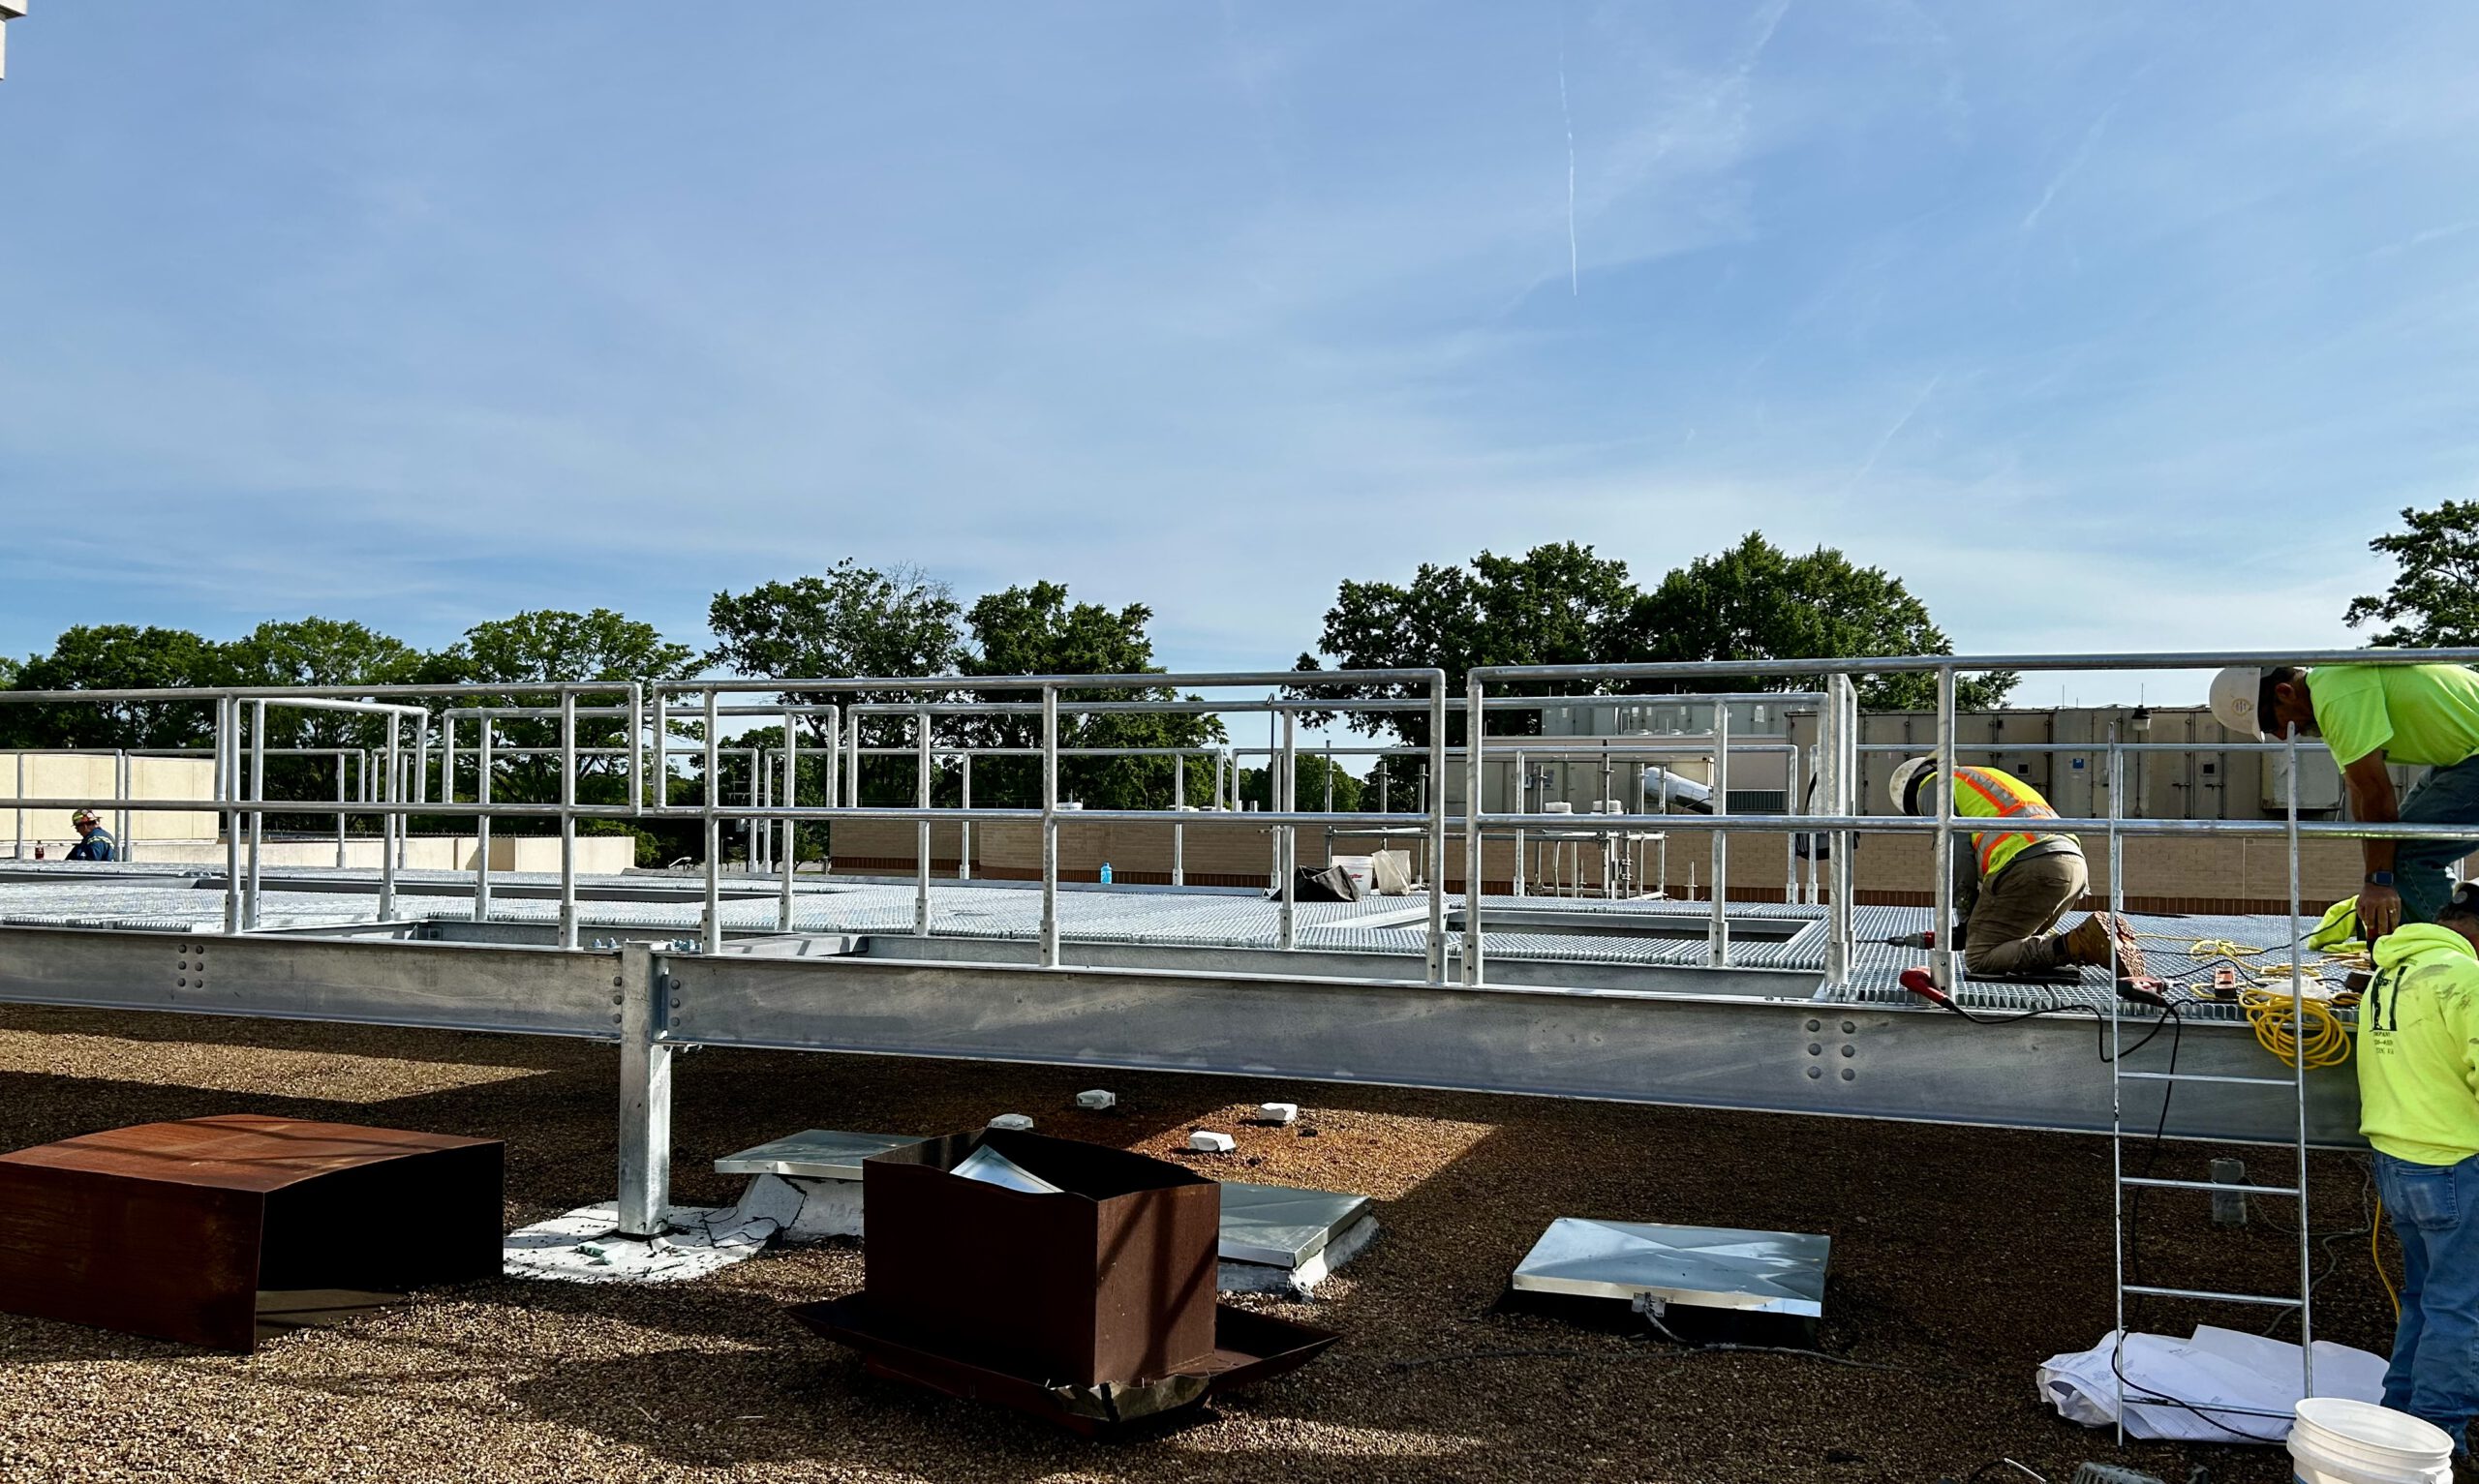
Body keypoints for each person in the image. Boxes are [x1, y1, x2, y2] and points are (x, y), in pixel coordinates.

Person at [2210, 662, 2479, 937]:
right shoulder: (2332, 690)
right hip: (2462, 758)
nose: (2280, 735)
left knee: (2411, 854)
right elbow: (2360, 794)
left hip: (2472, 758)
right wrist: (2373, 879)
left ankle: (2454, 952)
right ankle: (2412, 944)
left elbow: (2378, 795)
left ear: (2285, 692)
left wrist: (2379, 881)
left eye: (2270, 723)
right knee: (2395, 851)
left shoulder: (2337, 697)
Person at [2356, 879, 2479, 1448]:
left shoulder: (2390, 972)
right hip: (2453, 1162)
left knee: (2425, 1298)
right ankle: (2437, 1439)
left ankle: (2399, 1422)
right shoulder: (2465, 977)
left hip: (2398, 1161)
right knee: (2460, 1308)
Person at [1888, 758, 2144, 978]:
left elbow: (1956, 854)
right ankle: (2098, 943)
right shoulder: (1979, 777)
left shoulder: (1932, 787)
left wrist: (1966, 920)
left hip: (2030, 865)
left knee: (1980, 957)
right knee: (2012, 947)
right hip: (2071, 865)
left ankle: (2082, 942)